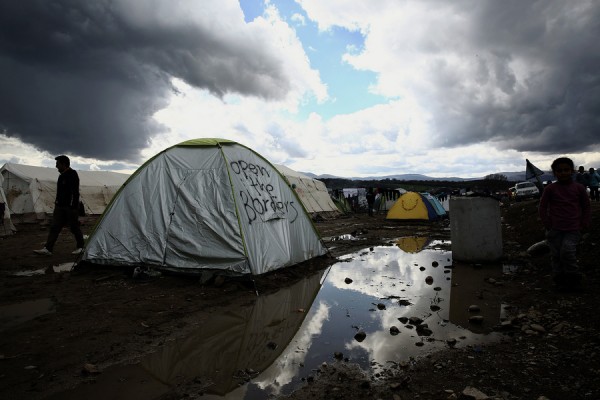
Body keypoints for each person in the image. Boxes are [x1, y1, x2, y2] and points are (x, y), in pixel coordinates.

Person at [538, 157, 591, 290]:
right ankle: (559, 279)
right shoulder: (550, 189)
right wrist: (547, 223)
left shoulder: (579, 188)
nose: (563, 173)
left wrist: (583, 223)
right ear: (554, 173)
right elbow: (542, 207)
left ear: (571, 171)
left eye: (566, 170)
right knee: (556, 255)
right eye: (559, 170)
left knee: (567, 252)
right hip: (554, 229)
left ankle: (574, 278)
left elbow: (586, 206)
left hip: (573, 229)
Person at [34, 155, 85, 255]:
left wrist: (73, 206)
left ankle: (81, 247)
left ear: (64, 164)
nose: (56, 166)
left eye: (57, 164)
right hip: (60, 206)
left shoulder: (72, 174)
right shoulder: (61, 176)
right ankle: (48, 249)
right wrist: (57, 202)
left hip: (69, 207)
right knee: (54, 227)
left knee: (74, 227)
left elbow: (75, 192)